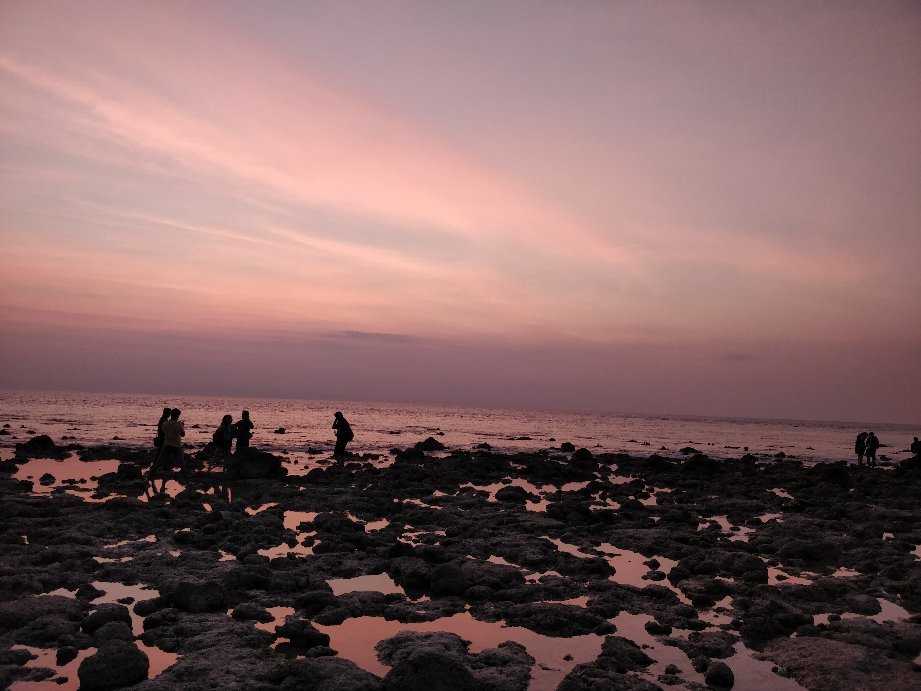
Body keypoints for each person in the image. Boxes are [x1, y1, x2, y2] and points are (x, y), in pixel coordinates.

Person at [159, 408, 185, 472]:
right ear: (177, 416)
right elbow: (183, 434)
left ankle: (163, 472)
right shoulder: (179, 424)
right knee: (181, 461)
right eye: (178, 415)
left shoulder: (165, 423)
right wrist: (182, 426)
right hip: (176, 445)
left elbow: (163, 431)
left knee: (165, 460)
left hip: (167, 444)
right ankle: (183, 472)